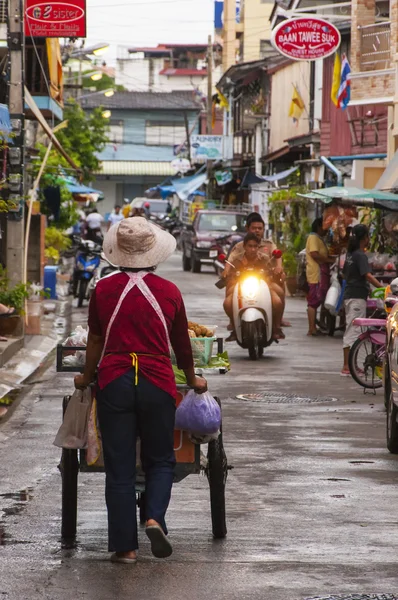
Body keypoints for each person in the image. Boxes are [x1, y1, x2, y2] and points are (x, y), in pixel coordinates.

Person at [74, 217, 207, 564]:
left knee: (118, 466)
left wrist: (86, 376)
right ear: (154, 254)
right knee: (160, 459)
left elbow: (95, 341)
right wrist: (193, 379)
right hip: (156, 380)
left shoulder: (102, 289)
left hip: (115, 380)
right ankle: (153, 518)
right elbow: (181, 345)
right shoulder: (169, 291)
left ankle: (126, 548)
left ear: (117, 253)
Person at [222, 213, 286, 334]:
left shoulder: (267, 249)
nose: (253, 249)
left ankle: (276, 325)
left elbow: (276, 259)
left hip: (264, 283)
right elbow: (230, 261)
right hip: (242, 283)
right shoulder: (239, 247)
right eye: (254, 228)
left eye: (260, 228)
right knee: (228, 300)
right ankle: (234, 324)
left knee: (278, 298)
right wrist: (226, 271)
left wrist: (278, 269)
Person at [341, 224, 382, 376]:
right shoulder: (360, 255)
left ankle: (350, 366)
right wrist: (382, 288)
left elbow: (346, 274)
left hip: (350, 295)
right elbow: (368, 275)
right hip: (356, 297)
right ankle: (346, 366)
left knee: (352, 329)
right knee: (353, 331)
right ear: (364, 238)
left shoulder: (350, 254)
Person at [305, 217, 335, 337]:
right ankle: (312, 328)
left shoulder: (317, 238)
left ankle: (314, 327)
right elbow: (314, 254)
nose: (327, 229)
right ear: (319, 226)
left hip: (319, 273)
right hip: (316, 274)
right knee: (313, 301)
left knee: (316, 300)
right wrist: (329, 260)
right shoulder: (313, 237)